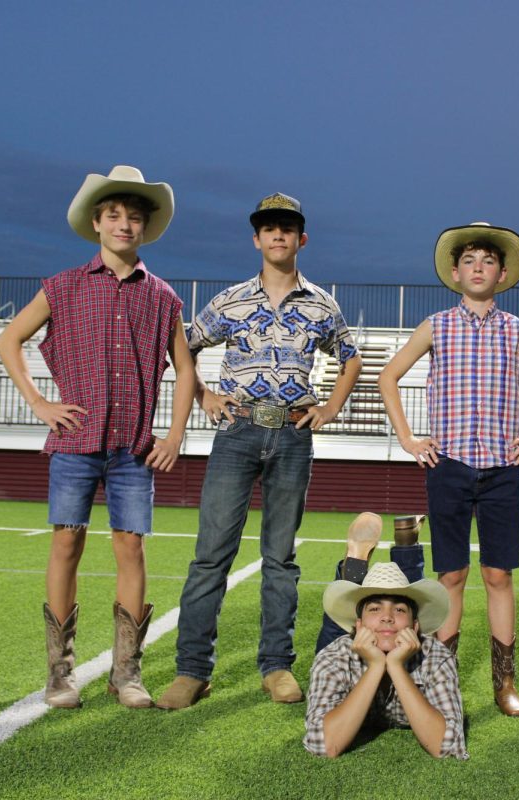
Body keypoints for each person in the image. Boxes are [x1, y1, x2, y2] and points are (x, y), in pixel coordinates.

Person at [0, 165, 195, 709]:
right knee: (66, 544)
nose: (123, 224)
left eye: (133, 216)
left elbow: (186, 370)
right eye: (114, 215)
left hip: (133, 448)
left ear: (145, 226)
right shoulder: (61, 286)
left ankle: (125, 674)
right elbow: (9, 339)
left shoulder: (164, 297)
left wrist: (174, 434)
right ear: (96, 221)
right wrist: (39, 402)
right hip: (75, 442)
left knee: (131, 548)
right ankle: (60, 675)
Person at [158, 193, 362, 710]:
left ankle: (276, 667)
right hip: (238, 431)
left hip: (293, 435)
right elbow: (181, 344)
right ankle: (192, 671)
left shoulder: (321, 303)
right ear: (256, 238)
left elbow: (351, 356)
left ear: (301, 239)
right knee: (210, 557)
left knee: (280, 559)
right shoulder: (230, 301)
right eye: (269, 228)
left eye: (287, 228)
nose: (278, 236)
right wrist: (204, 393)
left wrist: (331, 406)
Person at [379, 222, 519, 717]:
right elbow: (388, 377)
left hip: (502, 468)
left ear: (502, 274)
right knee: (451, 575)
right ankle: (443, 678)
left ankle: (505, 681)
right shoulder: (436, 325)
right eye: (470, 261)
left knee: (498, 575)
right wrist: (410, 437)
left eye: (488, 262)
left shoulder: (516, 330)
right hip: (449, 465)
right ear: (455, 273)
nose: (479, 268)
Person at [305, 561, 466, 759]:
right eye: (374, 609)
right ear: (359, 624)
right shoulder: (333, 658)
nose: (387, 617)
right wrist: (376, 666)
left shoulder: (437, 657)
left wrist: (396, 666)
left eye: (399, 610)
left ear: (414, 627)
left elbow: (447, 746)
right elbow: (324, 745)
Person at [315, 513, 428, 654]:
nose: (387, 617)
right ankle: (407, 547)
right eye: (375, 609)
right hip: (406, 663)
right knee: (409, 614)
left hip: (352, 667)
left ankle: (353, 576)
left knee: (334, 651)